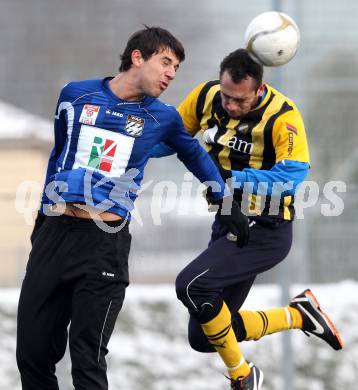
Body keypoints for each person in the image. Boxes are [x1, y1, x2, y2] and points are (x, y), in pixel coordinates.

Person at [16, 27, 249, 390]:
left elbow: (195, 156)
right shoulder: (75, 95)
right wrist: (44, 216)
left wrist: (225, 199)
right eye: (166, 62)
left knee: (87, 357)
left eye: (177, 67)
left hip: (103, 245)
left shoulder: (164, 117)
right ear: (137, 57)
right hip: (55, 234)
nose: (172, 73)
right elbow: (59, 154)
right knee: (33, 353)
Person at [151, 48, 343, 390]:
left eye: (240, 100)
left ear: (258, 89)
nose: (230, 106)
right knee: (203, 336)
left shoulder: (283, 116)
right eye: (226, 96)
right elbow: (170, 139)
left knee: (191, 285)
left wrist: (232, 180)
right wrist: (129, 140)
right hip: (229, 223)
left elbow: (292, 177)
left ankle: (243, 376)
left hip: (267, 230)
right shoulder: (206, 96)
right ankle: (299, 314)